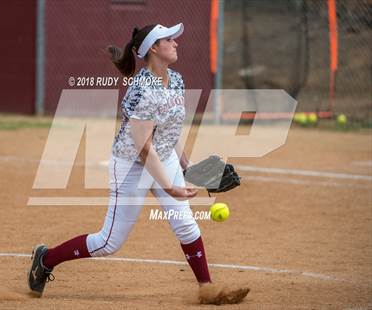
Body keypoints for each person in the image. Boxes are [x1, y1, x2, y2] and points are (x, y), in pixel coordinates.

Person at [27, 23, 250, 305]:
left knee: (187, 226)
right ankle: (45, 259)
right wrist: (169, 187)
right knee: (108, 243)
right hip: (131, 165)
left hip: (164, 156)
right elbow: (144, 148)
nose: (176, 43)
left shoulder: (176, 79)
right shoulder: (141, 91)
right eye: (169, 39)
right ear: (154, 48)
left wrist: (186, 165)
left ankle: (207, 288)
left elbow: (170, 129)